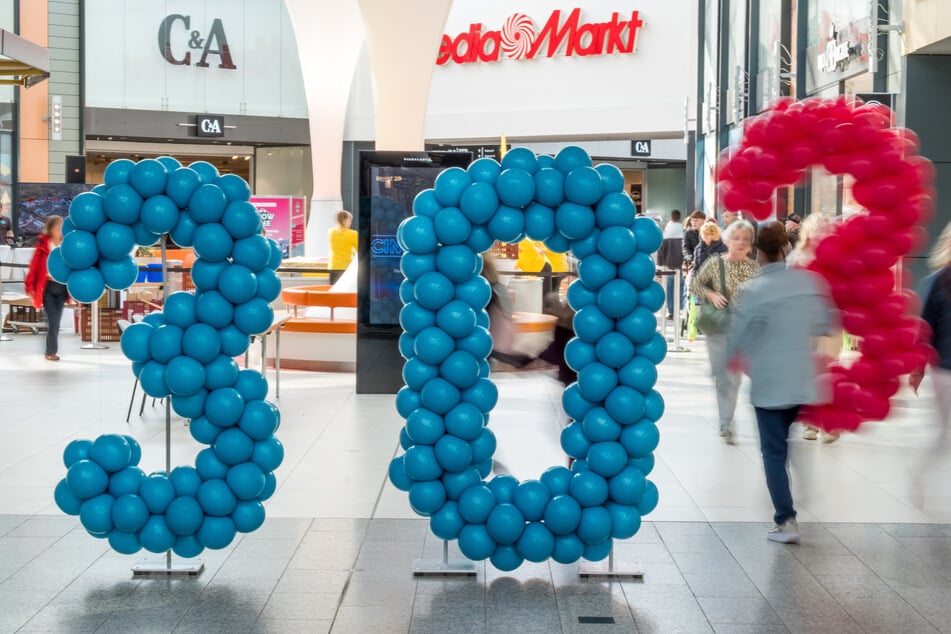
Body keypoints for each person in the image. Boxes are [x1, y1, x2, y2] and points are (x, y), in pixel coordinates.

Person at [725, 224, 837, 543]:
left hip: (769, 383)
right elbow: (827, 324)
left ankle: (786, 520)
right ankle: (804, 488)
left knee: (774, 452)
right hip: (802, 379)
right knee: (791, 440)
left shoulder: (753, 291)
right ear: (786, 249)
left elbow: (737, 341)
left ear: (759, 253)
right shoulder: (810, 282)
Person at [691, 219, 760, 442]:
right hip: (718, 328)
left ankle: (727, 420)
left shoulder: (754, 268)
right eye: (736, 238)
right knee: (723, 378)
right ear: (727, 240)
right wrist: (712, 295)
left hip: (743, 330)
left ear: (751, 245)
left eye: (746, 240)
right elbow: (696, 284)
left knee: (735, 379)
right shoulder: (715, 263)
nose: (740, 243)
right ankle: (726, 424)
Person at [786, 212, 841, 443]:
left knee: (828, 372)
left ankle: (830, 423)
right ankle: (811, 424)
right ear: (808, 232)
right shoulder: (797, 257)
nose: (823, 232)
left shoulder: (838, 257)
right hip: (804, 323)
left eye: (826, 229)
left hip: (830, 321)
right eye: (818, 228)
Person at [909, 221, 951, 507]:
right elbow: (924, 327)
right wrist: (917, 368)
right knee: (943, 432)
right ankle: (919, 475)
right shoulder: (938, 281)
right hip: (945, 368)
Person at [24, 215, 67, 361]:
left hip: (62, 287)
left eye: (62, 225)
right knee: (53, 322)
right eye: (57, 226)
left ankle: (50, 351)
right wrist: (29, 286)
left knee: (56, 321)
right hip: (47, 287)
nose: (60, 229)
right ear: (50, 228)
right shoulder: (43, 245)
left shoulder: (67, 244)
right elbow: (34, 266)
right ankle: (50, 352)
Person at [657, 209, 684, 320]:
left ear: (670, 217)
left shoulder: (666, 233)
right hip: (681, 265)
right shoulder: (683, 231)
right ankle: (679, 309)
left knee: (669, 289)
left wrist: (659, 266)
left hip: (668, 265)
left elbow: (660, 251)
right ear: (680, 217)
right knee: (680, 288)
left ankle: (671, 312)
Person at [328, 210, 357, 284]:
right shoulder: (352, 234)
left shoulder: (331, 233)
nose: (350, 223)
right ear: (346, 220)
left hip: (333, 267)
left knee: (334, 292)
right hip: (346, 268)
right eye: (350, 220)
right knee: (346, 294)